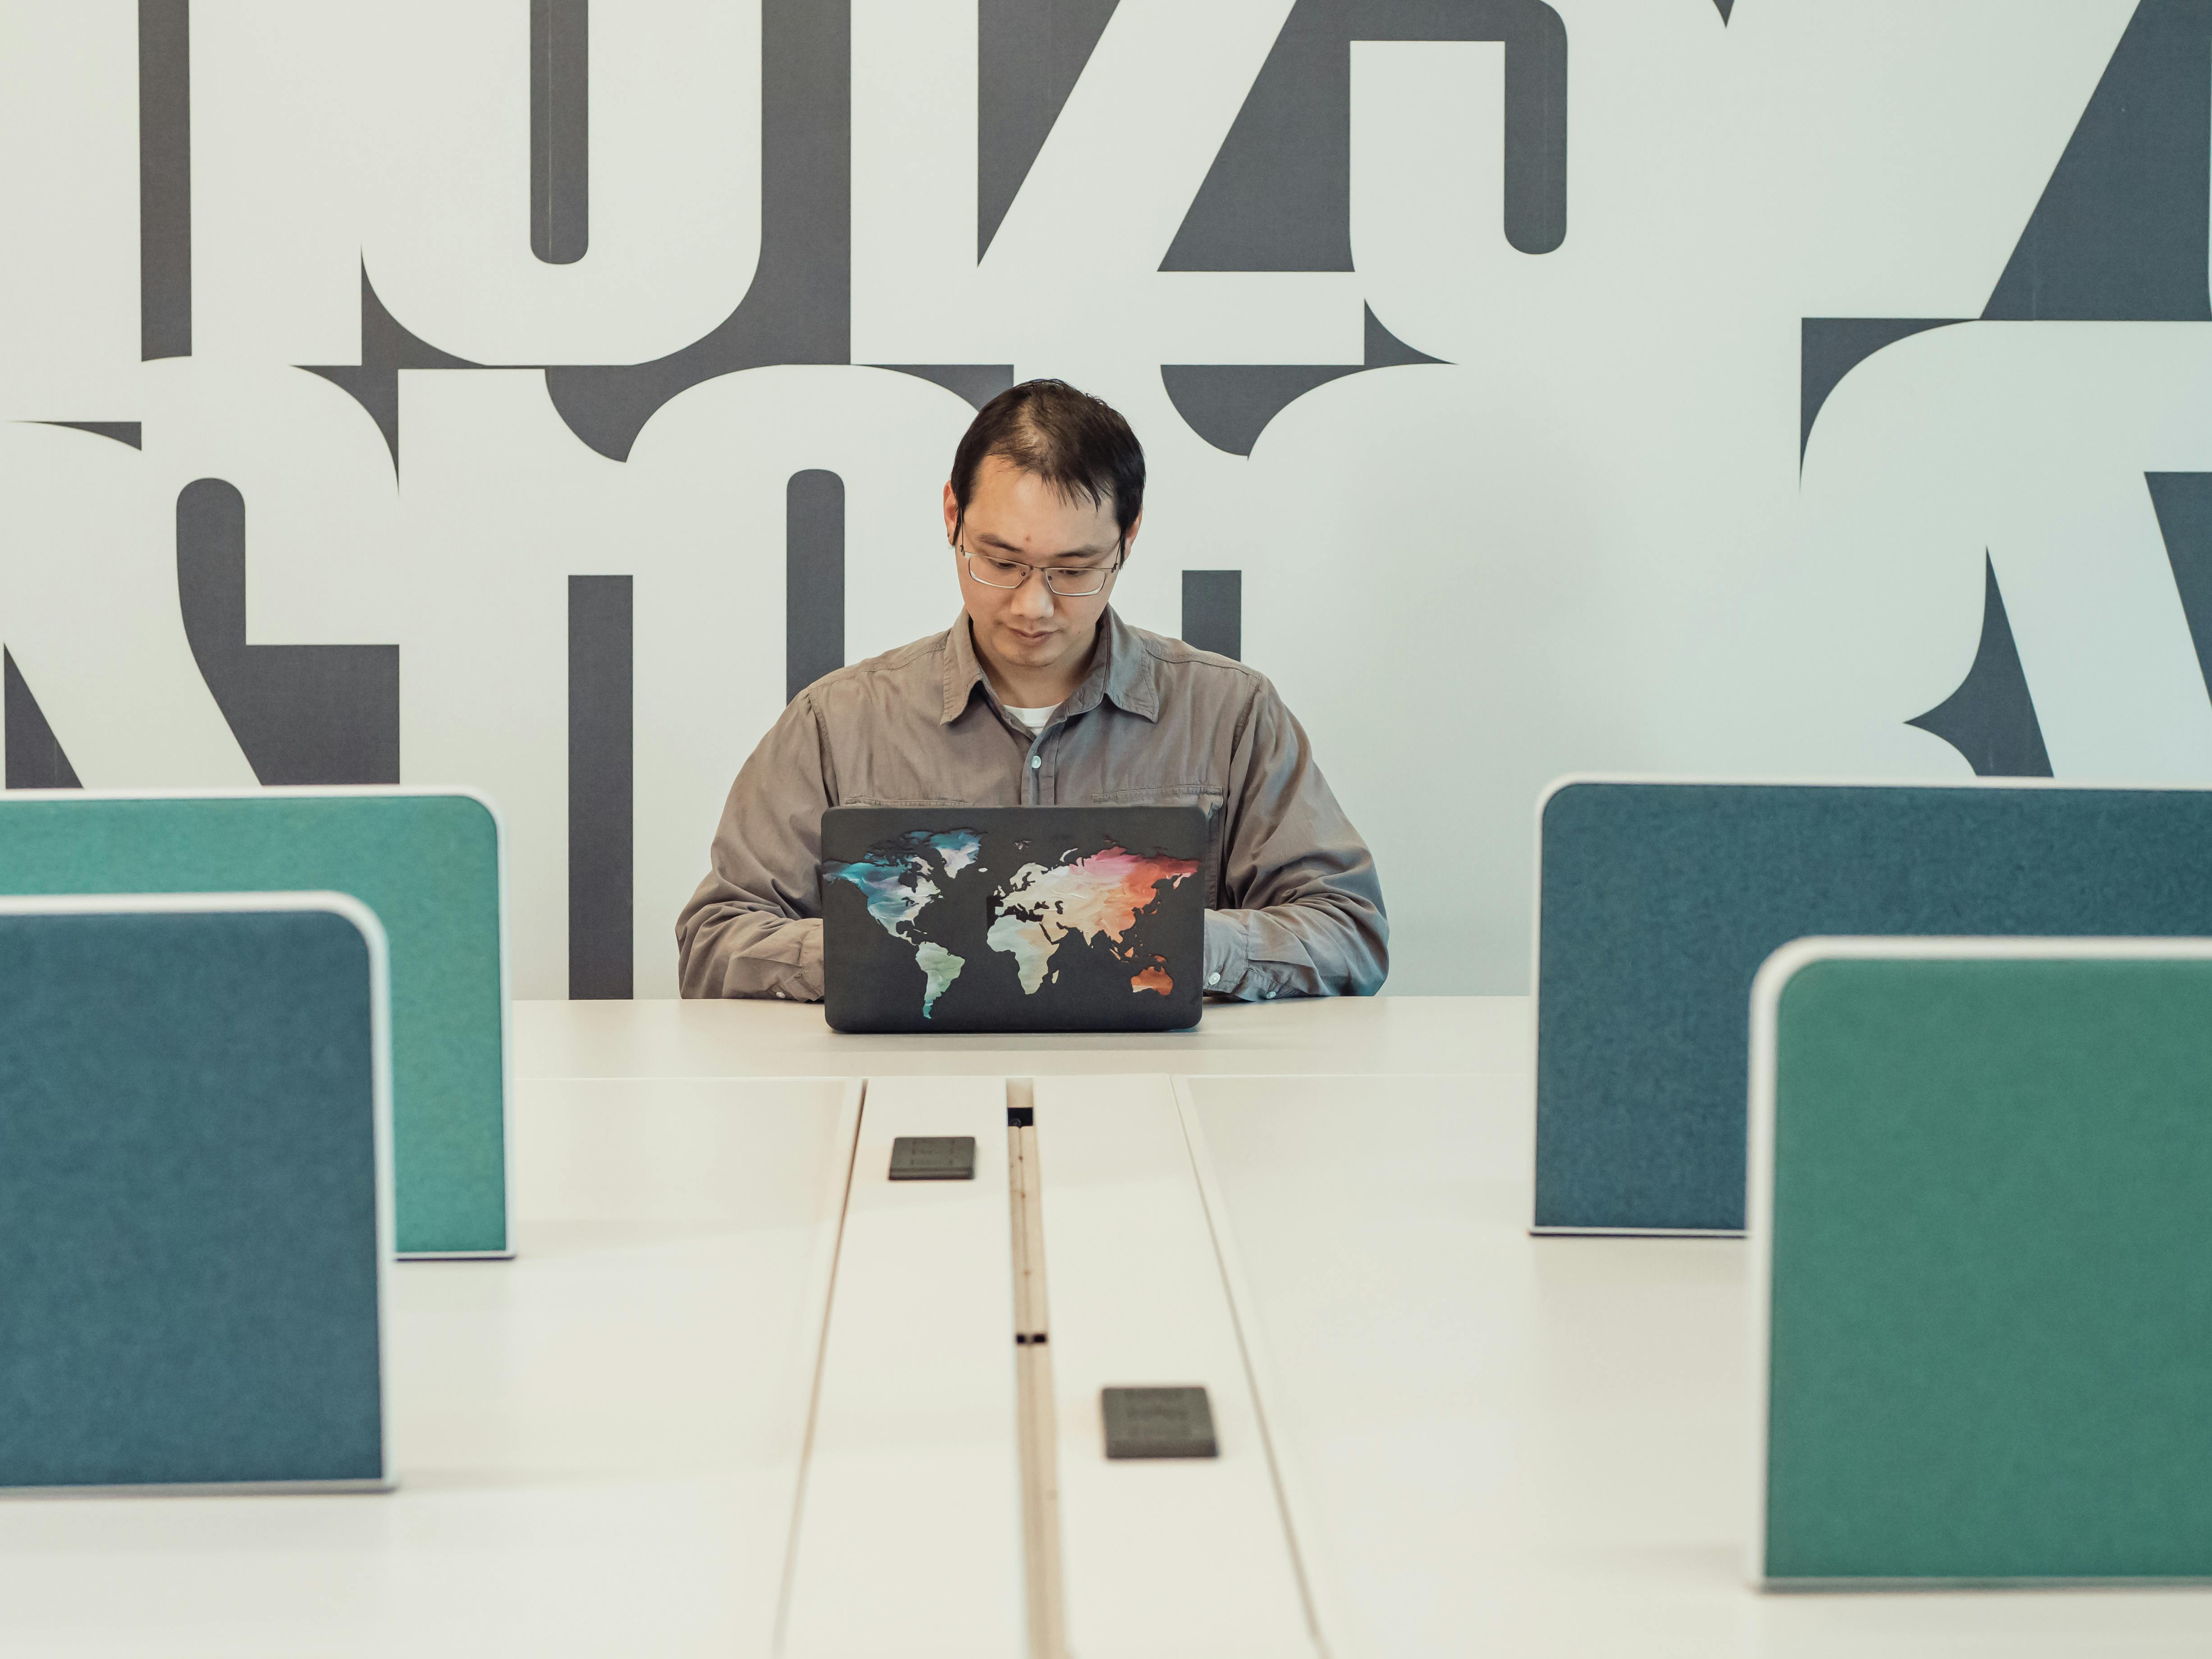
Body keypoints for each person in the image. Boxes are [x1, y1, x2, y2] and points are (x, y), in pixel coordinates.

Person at [676, 379, 1387, 1001]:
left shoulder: (1230, 714)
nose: (1033, 606)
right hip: (907, 1088)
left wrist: (1166, 940)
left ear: (1128, 537)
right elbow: (716, 938)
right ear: (952, 515)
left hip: (1163, 1094)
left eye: (1074, 570)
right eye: (1000, 561)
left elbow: (1348, 930)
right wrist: (886, 952)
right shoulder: (837, 722)